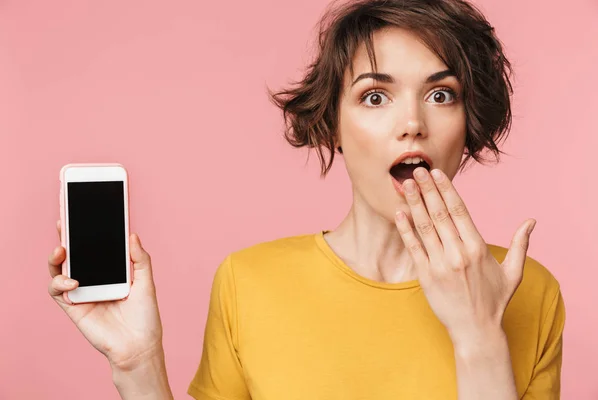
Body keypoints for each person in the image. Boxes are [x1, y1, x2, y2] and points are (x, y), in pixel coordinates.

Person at [47, 0, 566, 398]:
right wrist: (138, 364)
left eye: (440, 94)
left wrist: (479, 336)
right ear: (333, 125)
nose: (413, 124)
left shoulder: (528, 292)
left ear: (467, 124)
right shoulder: (247, 283)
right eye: (375, 96)